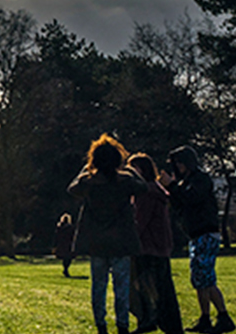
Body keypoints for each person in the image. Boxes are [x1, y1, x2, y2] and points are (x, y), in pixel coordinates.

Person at [68, 134, 149, 334]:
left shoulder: (89, 183)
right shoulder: (126, 181)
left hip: (97, 241)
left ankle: (101, 325)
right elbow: (144, 187)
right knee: (121, 286)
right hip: (121, 241)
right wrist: (129, 169)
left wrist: (86, 169)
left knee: (99, 286)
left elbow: (72, 189)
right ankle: (122, 325)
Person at [164, 146, 235, 334]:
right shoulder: (186, 182)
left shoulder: (200, 180)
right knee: (198, 279)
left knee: (206, 278)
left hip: (206, 232)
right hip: (196, 234)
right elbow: (179, 204)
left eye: (180, 163)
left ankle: (223, 316)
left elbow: (192, 199)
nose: (178, 167)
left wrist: (172, 186)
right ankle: (205, 317)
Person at [128, 153, 183, 334]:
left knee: (148, 287)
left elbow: (140, 222)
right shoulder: (154, 190)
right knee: (161, 288)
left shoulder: (146, 193)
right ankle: (164, 323)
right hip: (159, 247)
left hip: (149, 247)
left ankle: (150, 320)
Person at [55, 212, 78, 278]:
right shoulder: (71, 228)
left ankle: (65, 268)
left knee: (65, 257)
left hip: (61, 244)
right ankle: (66, 268)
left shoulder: (59, 227)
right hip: (68, 244)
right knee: (68, 258)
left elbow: (56, 236)